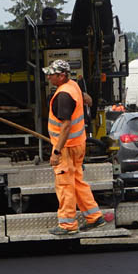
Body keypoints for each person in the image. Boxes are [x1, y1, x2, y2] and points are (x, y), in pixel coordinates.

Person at [43, 59, 106, 236]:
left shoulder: (63, 95)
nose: (48, 77)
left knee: (65, 184)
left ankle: (68, 225)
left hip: (66, 147)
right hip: (78, 143)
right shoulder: (73, 86)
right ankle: (94, 217)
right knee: (77, 181)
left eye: (51, 74)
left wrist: (56, 152)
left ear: (61, 76)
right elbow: (88, 100)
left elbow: (66, 125)